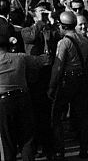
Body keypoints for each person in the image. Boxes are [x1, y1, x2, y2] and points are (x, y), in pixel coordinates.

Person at [48, 10, 88, 160]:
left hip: (67, 81)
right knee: (82, 116)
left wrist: (52, 86)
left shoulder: (64, 42)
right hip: (81, 81)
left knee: (57, 116)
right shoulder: (85, 40)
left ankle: (60, 150)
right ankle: (84, 149)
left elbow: (58, 67)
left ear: (63, 26)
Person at [1, 21, 49, 161]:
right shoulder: (20, 58)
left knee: (7, 143)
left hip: (3, 104)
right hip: (23, 100)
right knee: (27, 139)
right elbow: (43, 61)